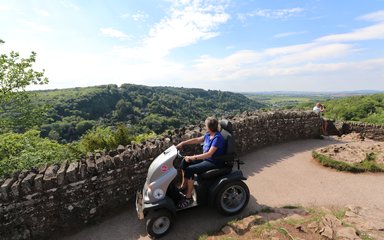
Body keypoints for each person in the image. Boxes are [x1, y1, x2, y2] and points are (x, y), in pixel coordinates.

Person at [176, 117, 225, 208]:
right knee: (184, 162)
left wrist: (192, 157)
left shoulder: (217, 138)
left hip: (213, 162)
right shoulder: (209, 134)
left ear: (210, 127)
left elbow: (209, 154)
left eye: (205, 125)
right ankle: (184, 185)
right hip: (206, 159)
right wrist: (183, 143)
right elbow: (197, 140)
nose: (204, 127)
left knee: (190, 169)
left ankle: (188, 198)